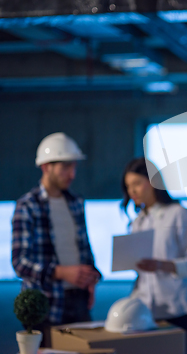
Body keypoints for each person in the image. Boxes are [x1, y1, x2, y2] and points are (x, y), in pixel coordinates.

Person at [11, 132, 101, 347]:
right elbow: (19, 263)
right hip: (45, 303)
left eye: (74, 167)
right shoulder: (28, 206)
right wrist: (61, 272)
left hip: (78, 301)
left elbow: (84, 249)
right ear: (46, 167)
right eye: (65, 168)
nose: (72, 174)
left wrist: (92, 276)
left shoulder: (76, 202)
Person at [121, 157, 187, 354]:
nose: (132, 191)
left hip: (179, 307)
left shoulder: (179, 214)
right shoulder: (137, 222)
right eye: (128, 186)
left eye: (137, 184)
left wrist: (161, 265)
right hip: (145, 310)